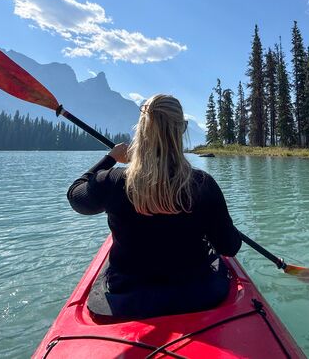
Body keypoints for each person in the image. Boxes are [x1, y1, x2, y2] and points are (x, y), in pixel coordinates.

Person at [67, 94, 242, 319]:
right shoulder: (202, 184)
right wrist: (222, 225)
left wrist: (110, 159)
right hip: (197, 295)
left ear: (141, 130)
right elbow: (229, 247)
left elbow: (76, 196)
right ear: (181, 130)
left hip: (126, 299)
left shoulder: (113, 181)